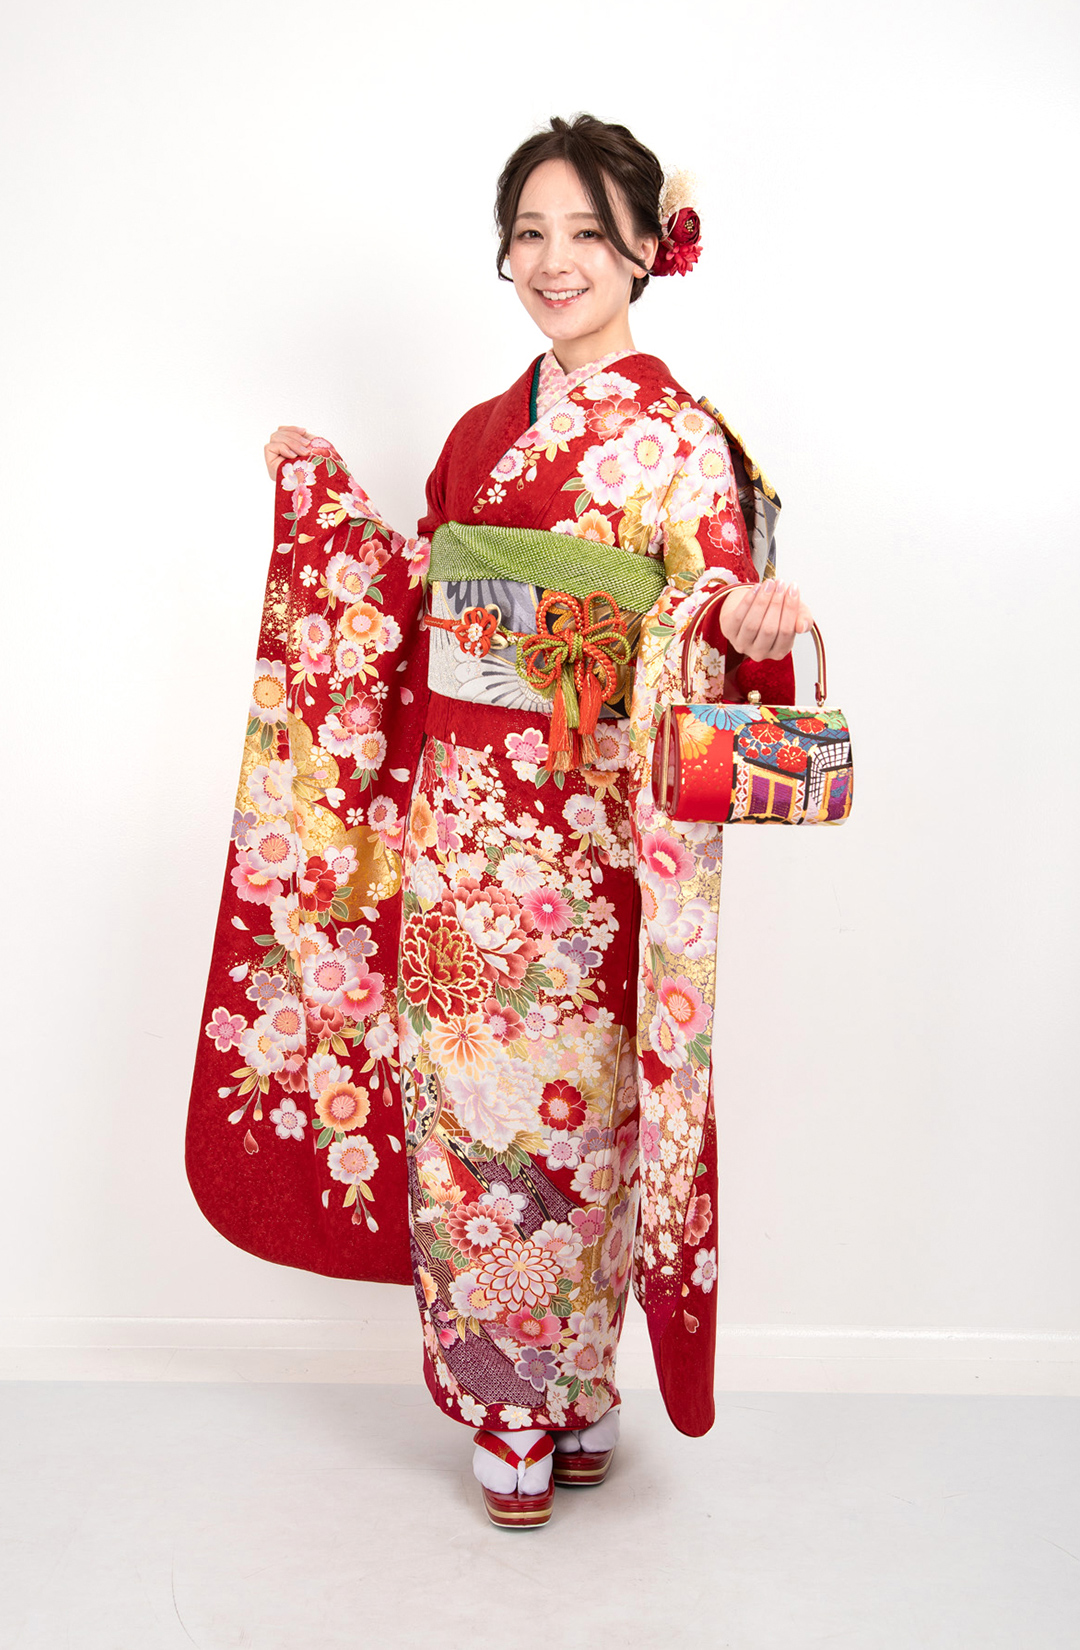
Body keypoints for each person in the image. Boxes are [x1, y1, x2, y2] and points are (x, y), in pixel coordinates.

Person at [187, 113, 812, 1530]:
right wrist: (326, 509)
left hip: (587, 850)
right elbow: (420, 602)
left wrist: (742, 623)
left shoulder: (682, 443)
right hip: (460, 837)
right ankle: (508, 1400)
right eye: (530, 232)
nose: (554, 260)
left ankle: (578, 1382)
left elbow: (704, 606)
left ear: (648, 248)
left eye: (587, 231)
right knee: (471, 1116)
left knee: (585, 1119)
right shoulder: (481, 433)